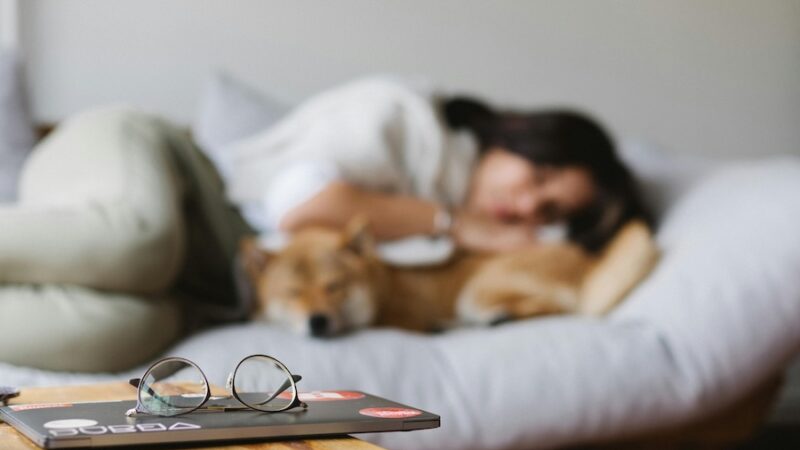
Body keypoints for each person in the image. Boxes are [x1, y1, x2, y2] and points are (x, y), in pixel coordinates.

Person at [217, 76, 650, 255]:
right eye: (538, 176)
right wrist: (453, 222)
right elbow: (302, 207)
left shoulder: (449, 208)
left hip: (223, 263)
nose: (526, 207)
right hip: (195, 188)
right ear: (515, 136)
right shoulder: (406, 120)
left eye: (549, 210)